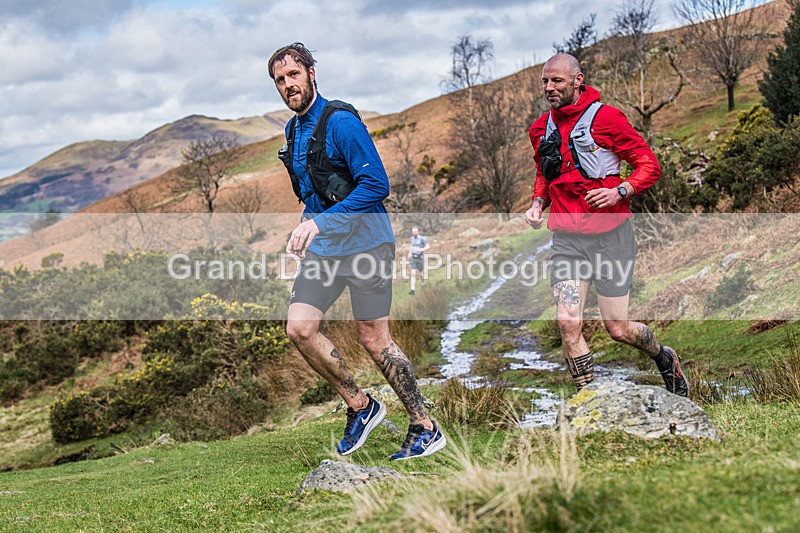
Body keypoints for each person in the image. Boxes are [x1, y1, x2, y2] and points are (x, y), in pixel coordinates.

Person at [268, 43, 446, 459]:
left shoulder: (341, 123)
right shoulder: (293, 132)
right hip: (326, 249)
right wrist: (305, 228)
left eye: (294, 74)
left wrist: (320, 223)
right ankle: (361, 406)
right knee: (299, 328)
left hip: (368, 244)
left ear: (312, 73)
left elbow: (376, 186)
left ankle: (424, 426)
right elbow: (314, 193)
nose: (288, 85)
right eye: (280, 80)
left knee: (373, 338)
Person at [524, 53, 688, 397]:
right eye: (544, 81)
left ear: (577, 80)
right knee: (568, 322)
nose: (549, 87)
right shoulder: (540, 128)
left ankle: (663, 356)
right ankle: (588, 400)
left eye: (557, 80)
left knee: (618, 328)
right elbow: (545, 172)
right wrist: (539, 202)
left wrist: (620, 191)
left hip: (611, 237)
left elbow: (649, 164)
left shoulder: (608, 119)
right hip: (567, 239)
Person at [407, 226, 430, 295]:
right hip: (413, 257)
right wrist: (410, 253)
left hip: (420, 257)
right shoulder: (412, 238)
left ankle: (423, 282)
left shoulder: (422, 239)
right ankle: (412, 289)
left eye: (415, 232)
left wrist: (421, 250)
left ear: (418, 232)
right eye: (413, 232)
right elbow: (412, 246)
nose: (414, 233)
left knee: (421, 274)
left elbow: (428, 246)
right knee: (413, 273)